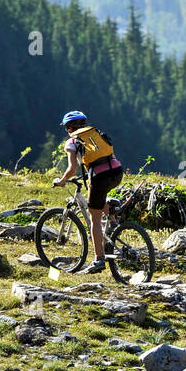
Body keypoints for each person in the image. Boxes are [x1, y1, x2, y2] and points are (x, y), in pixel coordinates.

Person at [53, 110, 123, 274]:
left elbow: (72, 168)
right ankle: (112, 215)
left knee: (94, 219)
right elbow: (109, 154)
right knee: (97, 203)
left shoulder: (72, 141)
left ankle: (98, 259)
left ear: (69, 128)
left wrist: (62, 180)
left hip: (100, 176)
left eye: (66, 128)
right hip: (117, 171)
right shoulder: (97, 133)